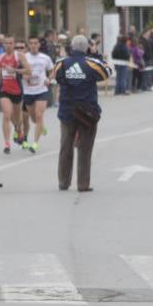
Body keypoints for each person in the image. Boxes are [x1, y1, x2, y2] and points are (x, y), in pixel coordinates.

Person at [55, 35, 114, 192]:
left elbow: (56, 77)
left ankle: (63, 182)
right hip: (87, 111)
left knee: (65, 146)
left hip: (67, 111)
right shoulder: (92, 63)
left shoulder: (62, 64)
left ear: (72, 47)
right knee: (85, 148)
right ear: (87, 47)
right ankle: (82, 184)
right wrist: (95, 54)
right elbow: (107, 72)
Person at [19, 36, 53, 153]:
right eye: (31, 43)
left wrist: (49, 79)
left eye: (35, 43)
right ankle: (41, 126)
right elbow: (18, 71)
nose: (33, 45)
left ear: (39, 45)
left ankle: (35, 143)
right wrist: (24, 76)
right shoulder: (24, 58)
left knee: (39, 115)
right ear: (28, 45)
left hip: (41, 90)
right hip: (28, 91)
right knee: (33, 118)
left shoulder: (45, 58)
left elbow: (52, 70)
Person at [0, 36, 23, 153]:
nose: (8, 45)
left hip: (16, 90)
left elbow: (28, 71)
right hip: (4, 89)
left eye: (10, 43)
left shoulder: (19, 56)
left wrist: (15, 71)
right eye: (6, 43)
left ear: (14, 44)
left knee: (16, 117)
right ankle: (7, 144)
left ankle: (18, 129)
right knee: (6, 115)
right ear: (3, 45)